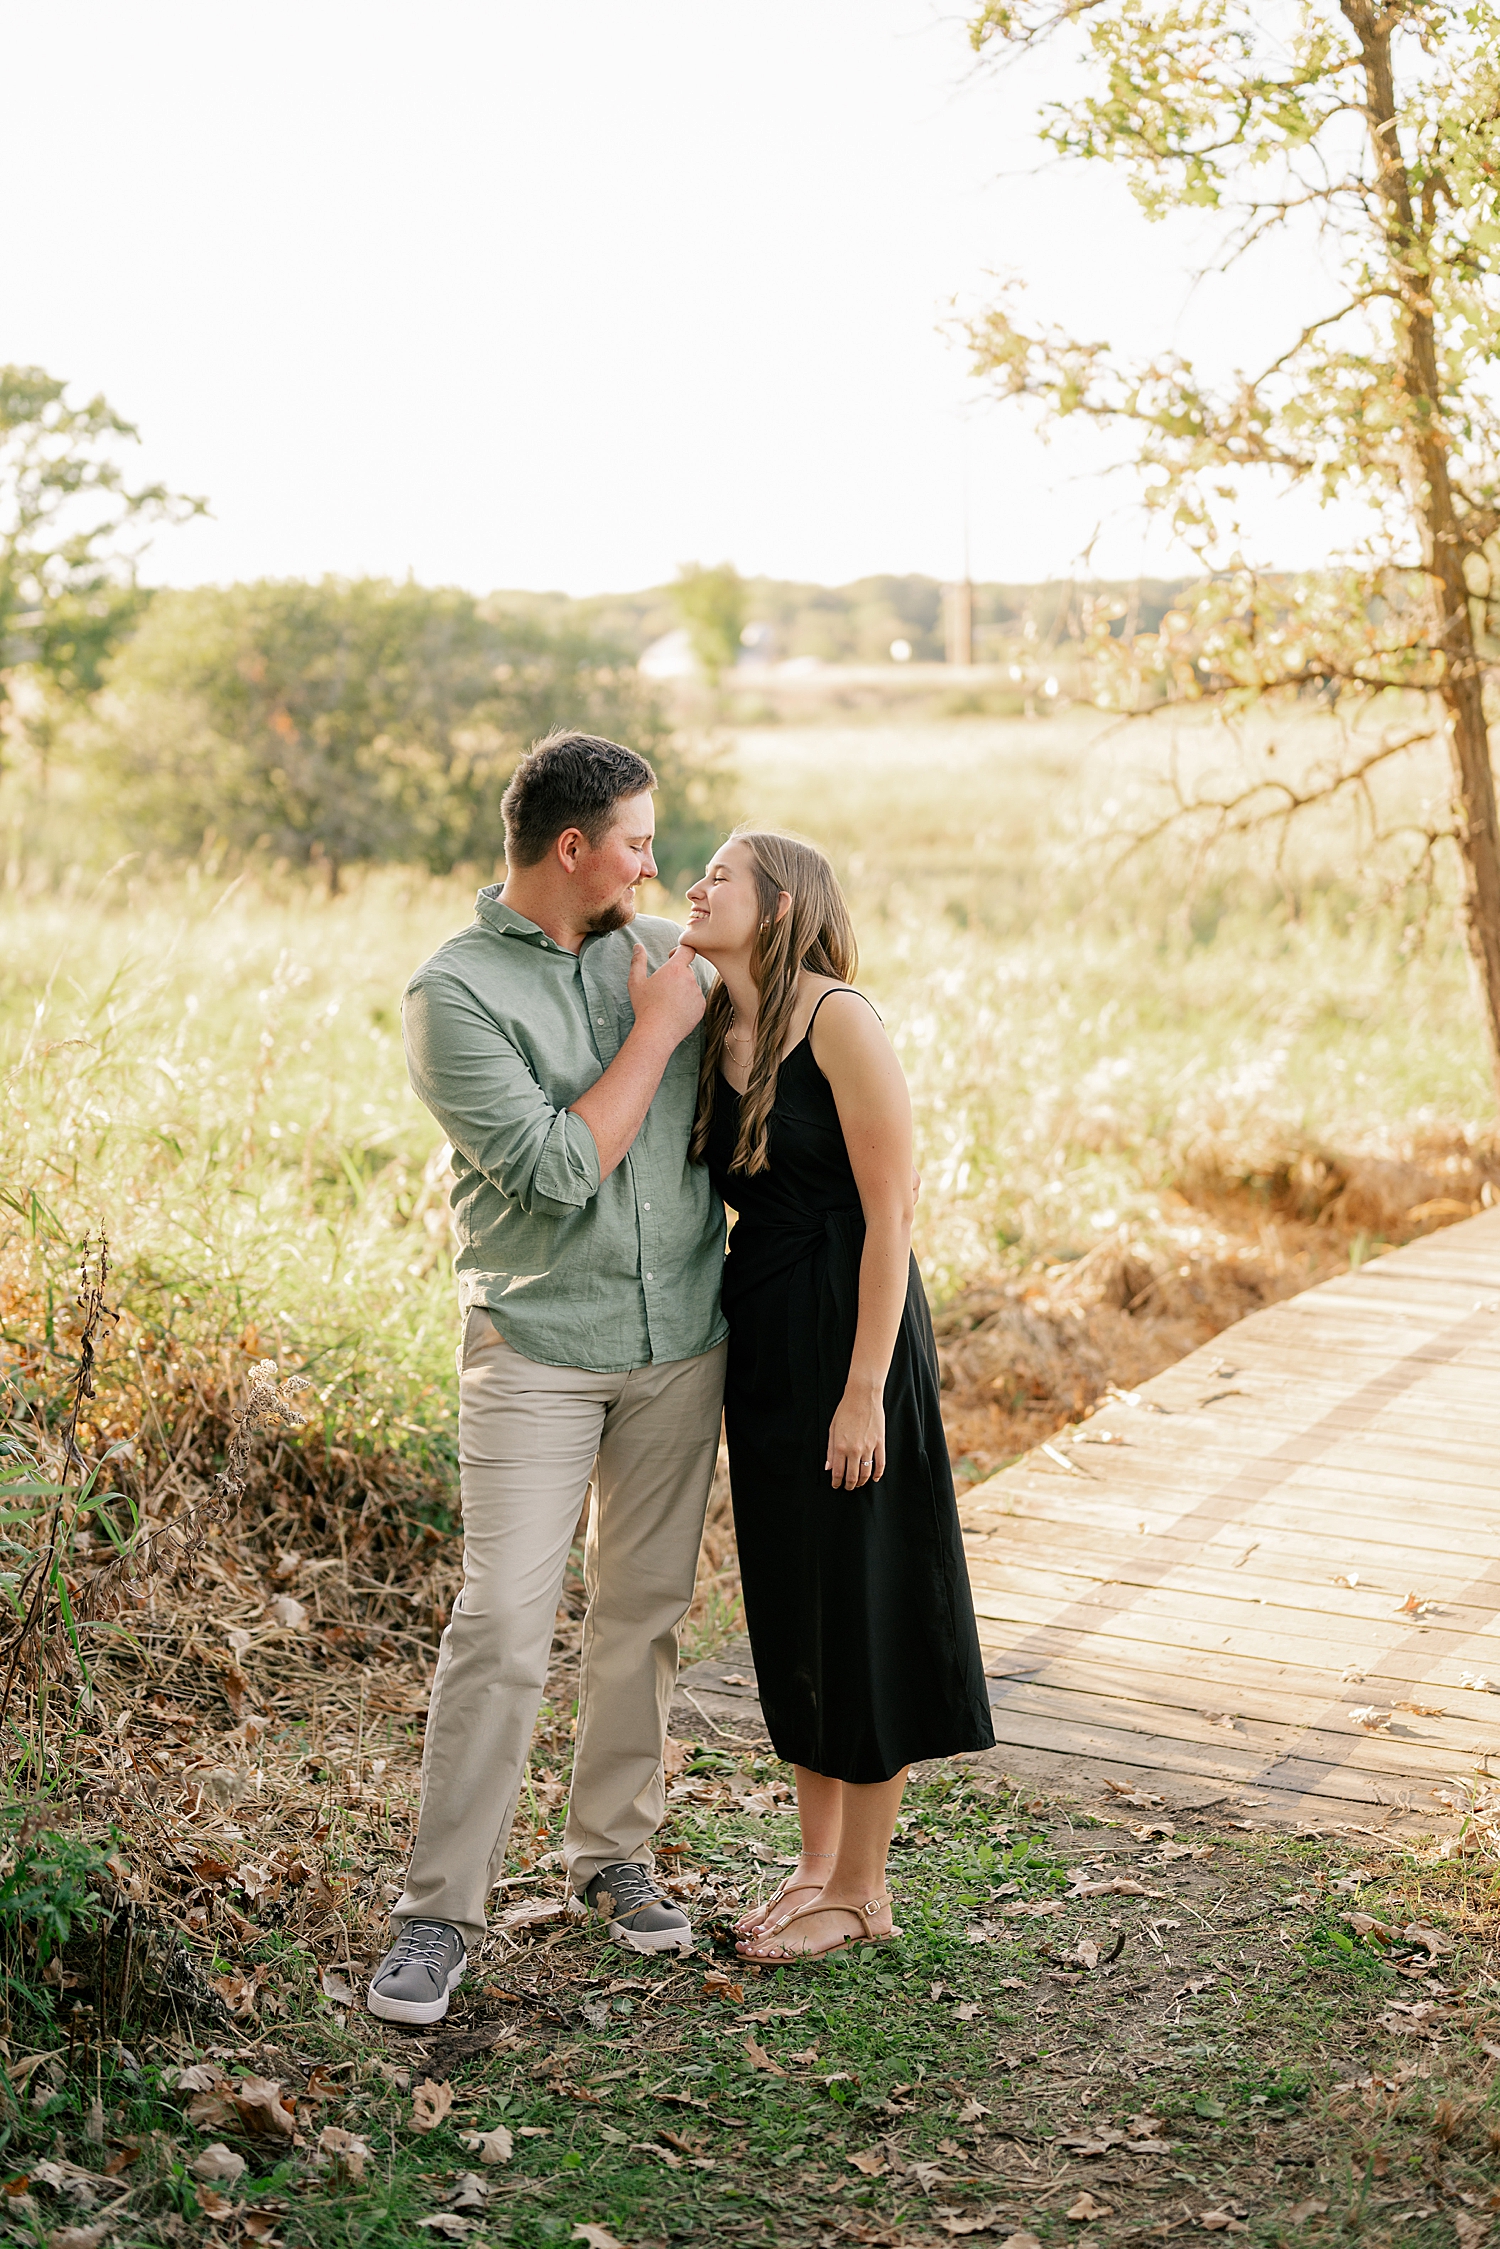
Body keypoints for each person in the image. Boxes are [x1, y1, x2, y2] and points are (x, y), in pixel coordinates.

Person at [366, 731, 727, 2026]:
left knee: (642, 1610)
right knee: (505, 1628)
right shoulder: (451, 996)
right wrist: (658, 1031)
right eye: (635, 841)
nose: (654, 862)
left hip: (682, 1336)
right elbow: (562, 1170)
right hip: (533, 1350)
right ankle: (435, 1914)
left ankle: (612, 1857)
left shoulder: (662, 952)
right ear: (571, 850)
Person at [682, 828, 994, 1961]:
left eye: (721, 873)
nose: (695, 884)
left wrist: (865, 1390)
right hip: (764, 1342)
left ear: (780, 902)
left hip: (851, 1338)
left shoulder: (837, 1017)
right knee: (796, 1599)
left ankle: (864, 1891)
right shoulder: (719, 1022)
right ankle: (812, 1869)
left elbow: (891, 1214)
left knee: (862, 1595)